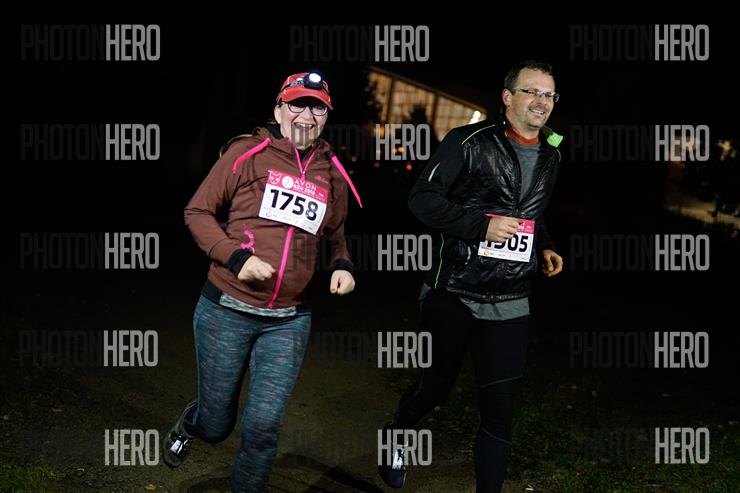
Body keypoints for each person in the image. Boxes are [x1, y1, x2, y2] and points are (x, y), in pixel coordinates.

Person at [163, 71, 362, 492]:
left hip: (289, 320)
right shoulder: (246, 154)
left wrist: (342, 264)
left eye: (318, 107)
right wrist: (237, 258)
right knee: (216, 425)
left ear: (327, 117)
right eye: (298, 104)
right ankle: (193, 422)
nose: (307, 115)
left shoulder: (331, 170)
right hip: (226, 310)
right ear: (279, 109)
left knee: (264, 427)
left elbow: (336, 234)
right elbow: (197, 212)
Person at [378, 60, 564, 492]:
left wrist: (546, 245)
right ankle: (397, 434)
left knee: (499, 409)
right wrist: (481, 227)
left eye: (549, 95)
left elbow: (532, 212)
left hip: (511, 298)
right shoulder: (468, 141)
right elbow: (422, 199)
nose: (542, 102)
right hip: (454, 291)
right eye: (532, 92)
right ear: (508, 97)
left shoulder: (552, 154)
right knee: (434, 389)